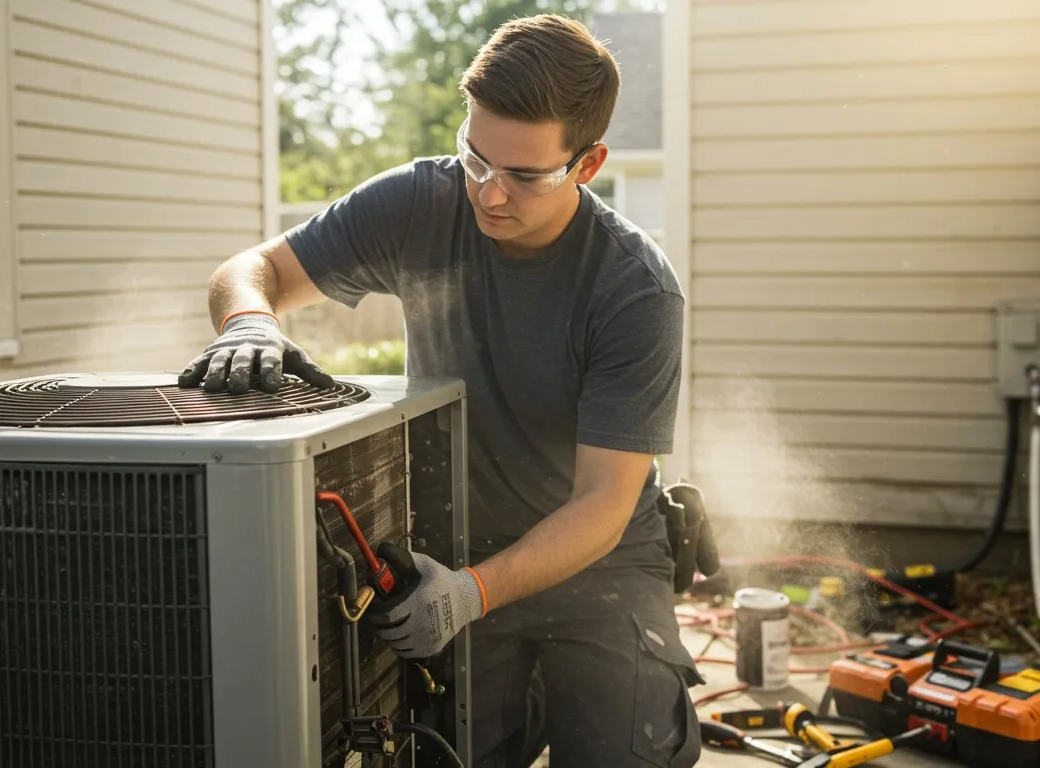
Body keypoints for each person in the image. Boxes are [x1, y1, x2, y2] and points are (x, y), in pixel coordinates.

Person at [178, 13, 703, 767]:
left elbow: (601, 507)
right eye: (475, 158)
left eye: (523, 175)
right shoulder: (419, 204)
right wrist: (248, 325)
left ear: (588, 166)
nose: (488, 194)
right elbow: (247, 271)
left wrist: (470, 595)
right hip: (452, 549)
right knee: (439, 753)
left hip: (602, 565)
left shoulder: (635, 290)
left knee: (625, 753)